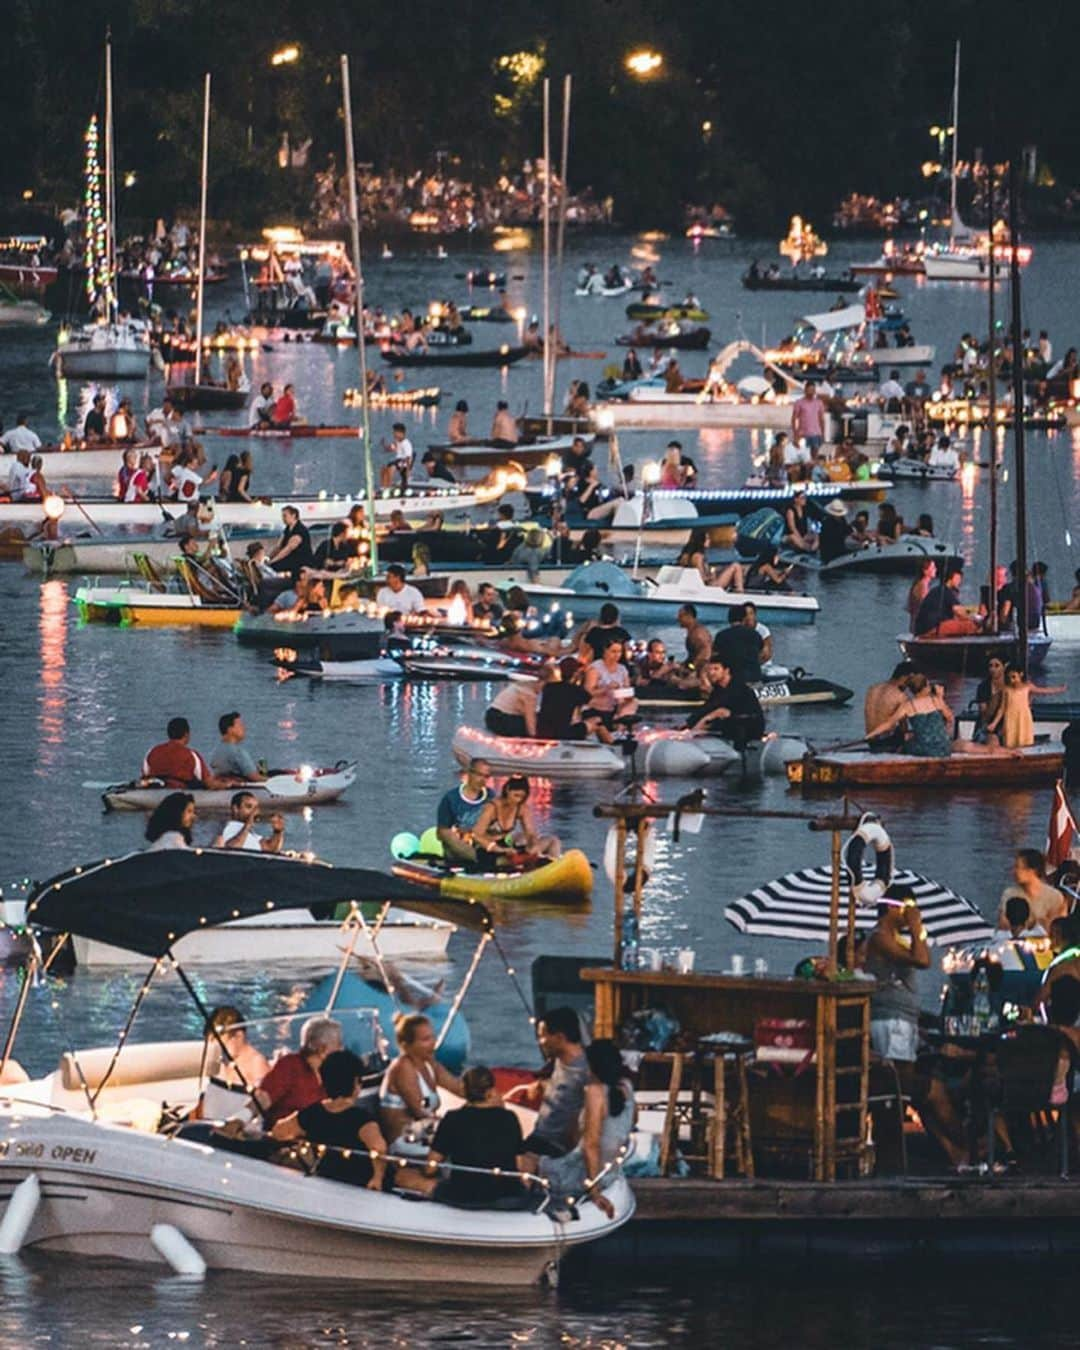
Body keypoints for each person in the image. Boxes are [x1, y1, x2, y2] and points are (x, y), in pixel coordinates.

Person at [863, 893, 968, 1168]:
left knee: (910, 1091)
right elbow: (923, 960)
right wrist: (916, 925)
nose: (914, 913)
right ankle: (892, 1156)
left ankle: (959, 1153)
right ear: (893, 908)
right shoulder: (879, 937)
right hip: (890, 1021)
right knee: (900, 1088)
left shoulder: (895, 940)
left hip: (904, 1021)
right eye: (909, 908)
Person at [531, 1040, 634, 1219]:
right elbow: (632, 1120)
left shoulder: (595, 1090)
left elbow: (591, 1145)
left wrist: (593, 1191)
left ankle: (531, 1209)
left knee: (530, 1158)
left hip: (588, 1175)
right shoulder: (627, 1086)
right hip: (610, 1171)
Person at [270, 1049, 390, 1192]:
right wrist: (377, 1178)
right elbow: (379, 1147)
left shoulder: (313, 1113)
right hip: (358, 1183)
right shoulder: (362, 1119)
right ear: (356, 1083)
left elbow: (279, 1131)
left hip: (323, 1180)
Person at [426, 1065, 528, 1208]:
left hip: (464, 1194)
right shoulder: (509, 1118)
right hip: (506, 1192)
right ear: (491, 1091)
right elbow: (519, 1164)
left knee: (406, 1177)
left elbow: (431, 1167)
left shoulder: (453, 1118)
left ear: (463, 1090)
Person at [505, 1007, 589, 1158]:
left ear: (559, 1038)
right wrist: (544, 1085)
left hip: (555, 1146)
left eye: (542, 1036)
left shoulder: (586, 1071)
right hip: (540, 1136)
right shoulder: (558, 1060)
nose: (540, 1042)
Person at [379, 1013, 463, 1147]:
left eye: (433, 1037)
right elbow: (419, 1112)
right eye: (425, 1039)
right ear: (406, 1045)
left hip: (427, 1132)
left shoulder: (429, 1064)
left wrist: (485, 1095)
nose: (433, 1042)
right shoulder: (403, 1067)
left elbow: (458, 1088)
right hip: (404, 1139)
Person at [256, 1016, 343, 1126]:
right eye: (339, 1044)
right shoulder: (290, 1066)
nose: (342, 1049)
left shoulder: (333, 1072)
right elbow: (263, 1098)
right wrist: (239, 1119)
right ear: (322, 1049)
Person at [473, 774, 561, 862]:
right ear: (507, 790)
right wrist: (498, 849)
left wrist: (532, 844)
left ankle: (552, 866)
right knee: (517, 842)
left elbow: (530, 832)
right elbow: (477, 835)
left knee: (552, 841)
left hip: (507, 845)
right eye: (516, 795)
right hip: (488, 849)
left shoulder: (521, 808)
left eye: (522, 797)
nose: (518, 800)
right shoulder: (491, 808)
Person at [687, 658, 765, 745]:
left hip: (748, 728)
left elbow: (717, 709)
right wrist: (689, 722)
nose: (711, 673)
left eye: (716, 669)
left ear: (726, 671)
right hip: (731, 723)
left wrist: (692, 730)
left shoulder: (737, 688)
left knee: (719, 713)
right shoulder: (719, 688)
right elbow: (707, 707)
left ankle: (691, 735)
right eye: (709, 670)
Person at [986, 665, 1066, 749]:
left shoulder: (1027, 687)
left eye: (1014, 677)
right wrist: (994, 723)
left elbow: (1043, 691)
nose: (1012, 680)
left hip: (1023, 718)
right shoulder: (1006, 690)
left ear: (1021, 674)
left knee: (1024, 740)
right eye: (1009, 678)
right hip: (1010, 719)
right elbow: (1002, 709)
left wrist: (1059, 689)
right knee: (1011, 741)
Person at [143, 716, 226, 789]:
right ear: (186, 735)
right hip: (179, 793)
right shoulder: (191, 755)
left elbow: (145, 775)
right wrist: (226, 785)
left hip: (154, 791)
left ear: (169, 733)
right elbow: (209, 783)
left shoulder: (152, 752)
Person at [997, 848, 1068, 931]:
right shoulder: (1009, 894)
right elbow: (1003, 924)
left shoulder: (1054, 897)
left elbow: (1058, 927)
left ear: (1032, 871)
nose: (1014, 871)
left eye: (1017, 867)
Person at [436, 758, 492, 862]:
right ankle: (478, 860)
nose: (482, 780)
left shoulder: (491, 797)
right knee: (448, 836)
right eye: (479, 775)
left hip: (483, 844)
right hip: (458, 847)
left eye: (486, 776)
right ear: (469, 773)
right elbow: (441, 833)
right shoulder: (451, 798)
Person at [537, 656, 600, 741]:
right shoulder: (575, 690)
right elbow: (591, 700)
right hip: (564, 733)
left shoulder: (548, 687)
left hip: (544, 731)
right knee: (596, 720)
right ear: (575, 673)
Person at [914, 561, 982, 637]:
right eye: (959, 578)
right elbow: (959, 611)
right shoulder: (946, 591)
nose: (960, 582)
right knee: (970, 625)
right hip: (932, 628)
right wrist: (978, 617)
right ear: (952, 577)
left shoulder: (938, 590)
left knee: (959, 624)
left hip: (923, 628)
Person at [583, 638, 636, 732]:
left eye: (619, 652)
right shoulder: (595, 668)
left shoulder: (622, 669)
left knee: (633, 702)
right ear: (605, 651)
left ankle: (619, 724)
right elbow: (588, 692)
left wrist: (626, 693)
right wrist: (606, 688)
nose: (617, 655)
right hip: (596, 707)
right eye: (613, 651)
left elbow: (626, 688)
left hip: (616, 706)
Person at [864, 662, 916, 749]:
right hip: (887, 742)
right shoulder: (900, 695)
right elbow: (904, 727)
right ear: (907, 677)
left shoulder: (872, 688)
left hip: (870, 740)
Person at [212, 792, 286, 853]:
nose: (254, 812)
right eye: (249, 807)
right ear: (236, 809)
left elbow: (270, 849)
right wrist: (248, 825)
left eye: (255, 808)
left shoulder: (250, 833)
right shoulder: (227, 829)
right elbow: (232, 850)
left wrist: (278, 832)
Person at [675, 529, 744, 590]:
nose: (709, 541)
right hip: (708, 588)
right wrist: (711, 576)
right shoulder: (698, 557)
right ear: (701, 540)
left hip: (694, 586)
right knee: (736, 566)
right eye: (707, 538)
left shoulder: (686, 555)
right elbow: (702, 579)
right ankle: (740, 591)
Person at [711, 604, 763, 684]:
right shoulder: (755, 634)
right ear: (744, 618)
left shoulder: (721, 635)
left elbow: (714, 655)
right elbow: (761, 652)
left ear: (729, 619)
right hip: (754, 677)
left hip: (732, 678)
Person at [210, 710, 267, 782]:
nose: (244, 728)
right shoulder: (238, 752)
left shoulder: (217, 751)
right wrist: (272, 781)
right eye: (240, 725)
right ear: (230, 730)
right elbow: (254, 777)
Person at [268, 506, 314, 583]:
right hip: (291, 558)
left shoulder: (300, 530)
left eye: (285, 516)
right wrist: (269, 558)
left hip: (301, 560)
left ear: (293, 515)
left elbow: (288, 549)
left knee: (275, 565)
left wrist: (273, 561)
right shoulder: (287, 529)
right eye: (282, 516)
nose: (283, 518)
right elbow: (279, 546)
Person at [818, 498, 859, 564]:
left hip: (840, 548)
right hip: (831, 553)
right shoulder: (827, 523)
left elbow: (847, 529)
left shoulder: (842, 519)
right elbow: (835, 536)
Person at [791, 380, 826, 454]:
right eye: (809, 390)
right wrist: (795, 434)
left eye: (813, 390)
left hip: (816, 434)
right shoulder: (799, 403)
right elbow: (794, 419)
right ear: (805, 390)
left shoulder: (819, 403)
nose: (811, 392)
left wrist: (823, 434)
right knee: (803, 455)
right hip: (803, 434)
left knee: (814, 455)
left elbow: (821, 420)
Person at [676, 603, 712, 675]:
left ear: (689, 616)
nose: (678, 619)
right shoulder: (692, 632)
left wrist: (691, 668)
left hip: (702, 672)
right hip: (696, 668)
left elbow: (706, 654)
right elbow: (693, 655)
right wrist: (683, 665)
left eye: (680, 616)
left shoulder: (698, 634)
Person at [906, 559, 937, 630]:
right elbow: (926, 608)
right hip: (921, 627)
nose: (936, 569)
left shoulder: (920, 584)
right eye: (933, 567)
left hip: (917, 625)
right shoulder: (923, 586)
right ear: (925, 571)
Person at [384, 422, 414, 487]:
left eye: (395, 433)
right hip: (398, 461)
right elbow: (391, 448)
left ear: (401, 433)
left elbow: (408, 457)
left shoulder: (406, 443)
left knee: (392, 467)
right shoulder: (397, 442)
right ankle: (385, 485)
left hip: (403, 462)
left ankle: (389, 485)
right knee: (386, 467)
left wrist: (408, 470)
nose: (394, 435)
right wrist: (384, 445)